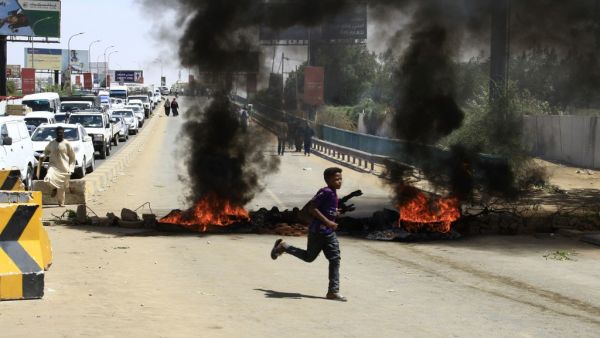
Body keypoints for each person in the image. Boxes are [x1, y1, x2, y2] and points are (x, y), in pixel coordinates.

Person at [270, 167, 347, 302]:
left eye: (341, 179)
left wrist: (335, 213)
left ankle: (333, 291)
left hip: (329, 233)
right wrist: (328, 221)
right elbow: (312, 208)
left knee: (335, 259)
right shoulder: (325, 192)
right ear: (327, 180)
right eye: (336, 179)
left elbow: (326, 209)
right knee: (309, 257)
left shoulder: (334, 193)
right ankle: (284, 247)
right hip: (318, 232)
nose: (340, 181)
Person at [42, 127, 76, 207]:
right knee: (48, 178)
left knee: (61, 188)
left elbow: (72, 157)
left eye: (61, 133)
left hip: (64, 168)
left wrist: (71, 168)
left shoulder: (67, 144)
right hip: (53, 166)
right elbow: (46, 151)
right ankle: (54, 188)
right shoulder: (52, 143)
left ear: (63, 133)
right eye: (58, 133)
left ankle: (61, 203)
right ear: (56, 133)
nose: (59, 134)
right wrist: (43, 156)